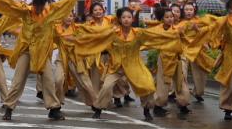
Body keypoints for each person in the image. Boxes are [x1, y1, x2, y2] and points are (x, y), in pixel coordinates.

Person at [72, 7, 203, 121]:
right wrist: (81, 37)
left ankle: (147, 110)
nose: (127, 19)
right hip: (116, 66)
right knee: (106, 86)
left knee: (147, 86)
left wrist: (174, 35)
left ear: (132, 19)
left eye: (129, 17)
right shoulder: (113, 33)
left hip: (134, 65)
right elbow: (97, 37)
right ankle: (98, 109)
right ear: (119, 19)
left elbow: (155, 36)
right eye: (124, 17)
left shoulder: (138, 33)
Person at [0, 0, 82, 121]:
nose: (39, 8)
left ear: (45, 3)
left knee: (48, 80)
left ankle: (54, 108)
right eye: (37, 5)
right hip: (26, 51)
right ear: (34, 3)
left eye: (42, 5)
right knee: (18, 79)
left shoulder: (51, 11)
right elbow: (9, 2)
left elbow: (65, 3)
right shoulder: (26, 11)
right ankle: (9, 107)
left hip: (42, 53)